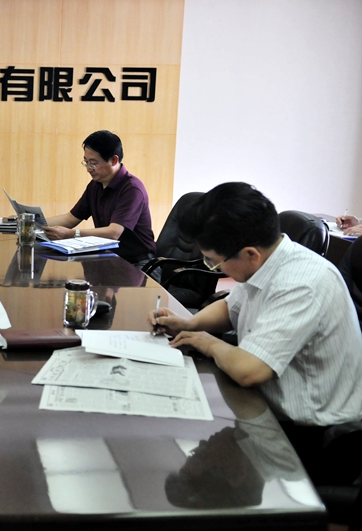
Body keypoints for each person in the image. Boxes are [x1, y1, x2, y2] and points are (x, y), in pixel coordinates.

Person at [149, 182, 362, 486]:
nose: (215, 269)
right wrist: (189, 324)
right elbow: (230, 307)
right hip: (269, 411)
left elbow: (250, 371)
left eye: (215, 261)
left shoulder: (302, 283)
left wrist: (208, 343)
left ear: (250, 253)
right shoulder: (267, 261)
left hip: (315, 439)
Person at [43, 130, 156, 266]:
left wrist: (71, 234)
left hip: (138, 263)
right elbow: (71, 218)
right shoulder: (95, 185)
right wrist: (34, 223)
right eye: (86, 162)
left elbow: (114, 232)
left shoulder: (132, 189)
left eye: (93, 163)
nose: (88, 169)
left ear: (114, 160)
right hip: (110, 257)